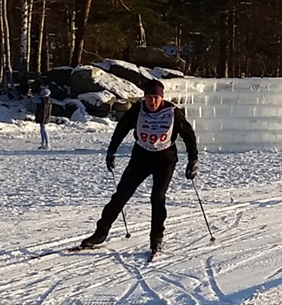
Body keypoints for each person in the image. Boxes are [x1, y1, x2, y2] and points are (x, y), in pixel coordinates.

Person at [78, 79, 198, 258]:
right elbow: (121, 129)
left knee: (157, 197)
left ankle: (156, 238)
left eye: (156, 98)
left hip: (165, 160)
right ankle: (100, 233)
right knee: (121, 194)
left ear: (161, 98)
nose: (152, 101)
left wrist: (192, 159)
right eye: (149, 97)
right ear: (144, 97)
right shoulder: (137, 110)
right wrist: (112, 152)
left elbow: (188, 135)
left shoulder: (173, 112)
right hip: (141, 158)